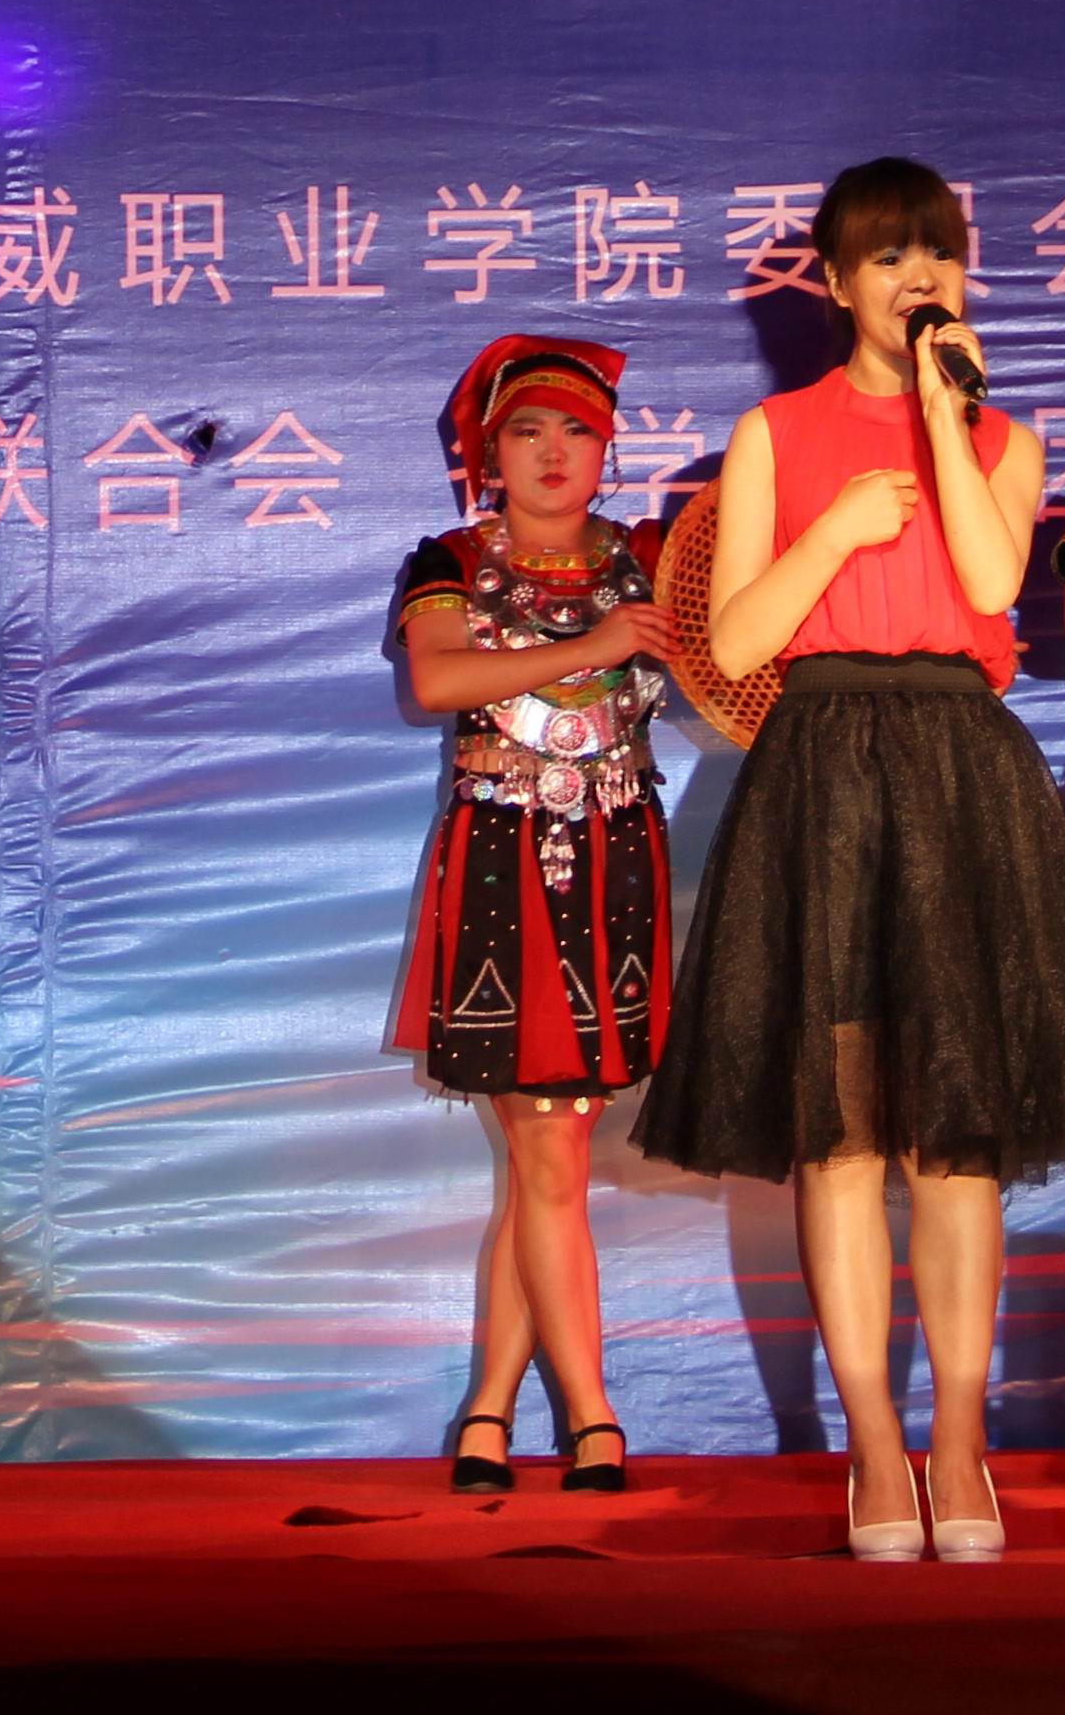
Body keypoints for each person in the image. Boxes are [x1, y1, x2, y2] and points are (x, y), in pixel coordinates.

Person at [636, 157, 1065, 1568]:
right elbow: (731, 641)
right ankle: (875, 1449)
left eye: (938, 254)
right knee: (838, 1141)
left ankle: (958, 1439)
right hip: (825, 764)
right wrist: (835, 528)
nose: (918, 277)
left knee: (953, 1145)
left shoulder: (1005, 437)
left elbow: (988, 584)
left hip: (961, 766)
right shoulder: (775, 432)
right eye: (888, 257)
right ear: (838, 285)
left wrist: (949, 418)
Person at [386, 331, 678, 1496]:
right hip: (505, 858)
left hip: (617, 854)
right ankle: (595, 1416)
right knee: (549, 1146)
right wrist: (596, 646)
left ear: (608, 449)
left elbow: (734, 657)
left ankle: (488, 1411)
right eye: (528, 430)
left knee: (544, 1153)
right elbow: (438, 680)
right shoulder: (450, 561)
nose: (555, 452)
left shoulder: (650, 558)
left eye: (578, 430)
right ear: (487, 453)